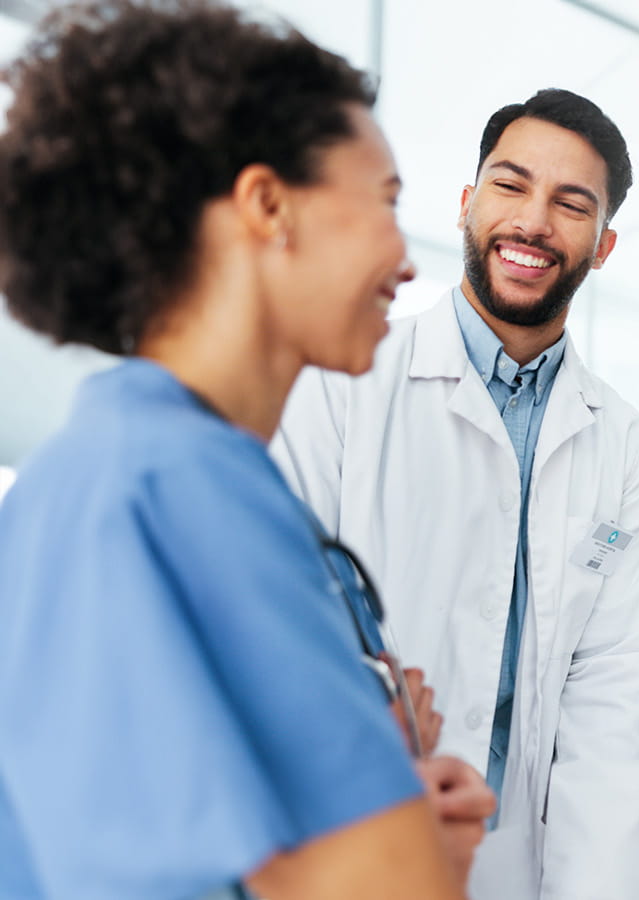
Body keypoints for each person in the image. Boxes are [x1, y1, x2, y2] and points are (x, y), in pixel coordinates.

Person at [0, 2, 494, 897]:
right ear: (268, 204)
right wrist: (410, 853)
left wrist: (397, 807)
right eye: (386, 202)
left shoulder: (96, 471)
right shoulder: (183, 483)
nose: (407, 259)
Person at [271, 88, 639, 896]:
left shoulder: (627, 446)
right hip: (348, 833)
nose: (533, 222)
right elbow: (277, 616)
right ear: (466, 203)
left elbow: (608, 695)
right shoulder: (343, 381)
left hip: (520, 855)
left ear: (603, 245)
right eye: (510, 185)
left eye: (571, 204)